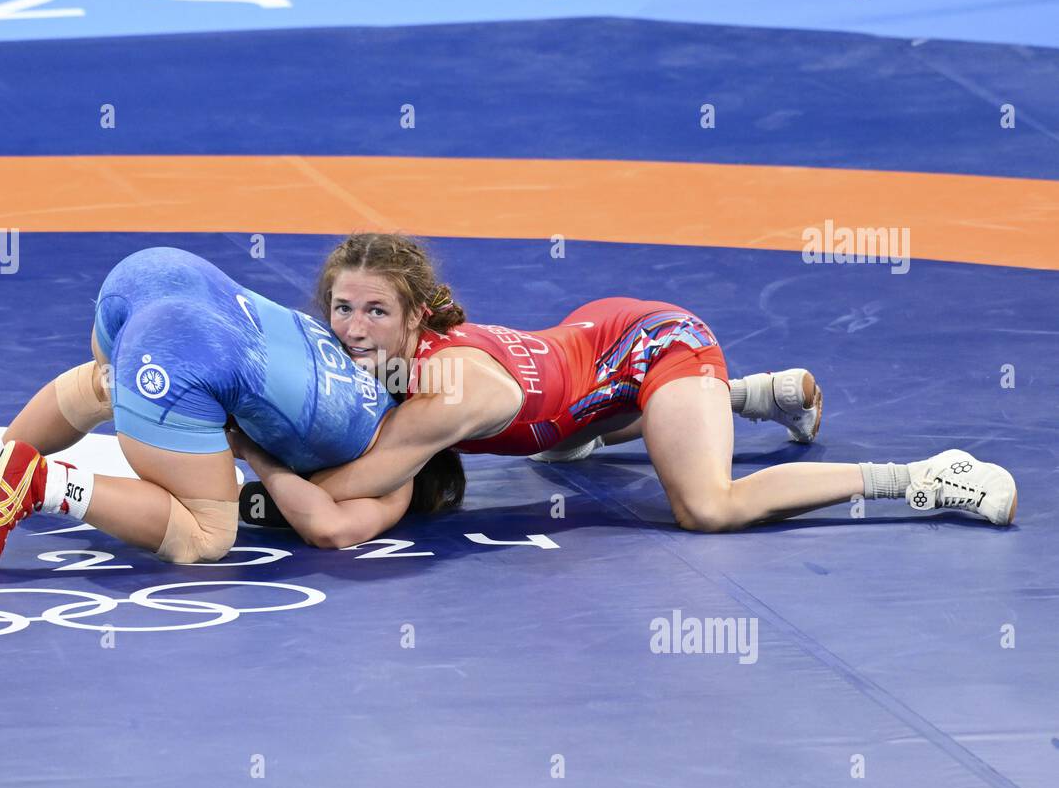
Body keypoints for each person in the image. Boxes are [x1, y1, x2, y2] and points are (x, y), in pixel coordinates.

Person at [253, 233, 1017, 534]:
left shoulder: (448, 390)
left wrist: (255, 457)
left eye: (375, 311)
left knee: (705, 508)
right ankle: (752, 396)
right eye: (342, 308)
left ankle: (922, 476)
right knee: (555, 446)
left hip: (651, 346)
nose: (352, 327)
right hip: (587, 361)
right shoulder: (372, 351)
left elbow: (352, 488)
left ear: (416, 314)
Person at [0, 246, 464, 569]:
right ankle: (44, 483)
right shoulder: (397, 479)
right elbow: (329, 530)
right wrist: (252, 451)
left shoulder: (352, 356)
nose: (356, 327)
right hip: (186, 351)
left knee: (106, 383)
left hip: (156, 272)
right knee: (206, 536)